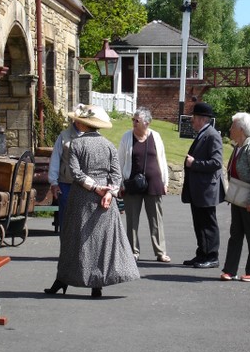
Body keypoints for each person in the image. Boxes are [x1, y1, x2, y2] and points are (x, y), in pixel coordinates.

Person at [44, 104, 139, 297]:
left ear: (85, 125)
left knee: (74, 239)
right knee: (102, 241)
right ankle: (97, 285)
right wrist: (109, 193)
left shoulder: (75, 145)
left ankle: (62, 280)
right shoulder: (109, 145)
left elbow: (76, 174)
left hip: (82, 197)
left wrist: (96, 188)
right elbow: (116, 175)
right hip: (105, 201)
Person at [118, 107, 170, 263]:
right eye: (133, 120)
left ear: (146, 123)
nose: (133, 122)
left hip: (154, 183)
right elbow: (120, 161)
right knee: (132, 219)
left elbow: (162, 158)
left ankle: (160, 252)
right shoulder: (127, 137)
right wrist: (120, 183)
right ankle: (133, 251)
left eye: (137, 120)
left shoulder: (156, 136)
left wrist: (165, 182)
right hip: (132, 184)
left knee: (156, 219)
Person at [220, 112, 250, 282]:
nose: (230, 129)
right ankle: (230, 270)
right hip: (238, 197)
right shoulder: (238, 147)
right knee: (236, 234)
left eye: (233, 126)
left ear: (241, 129)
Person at [181, 102, 224, 268]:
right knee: (199, 223)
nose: (192, 121)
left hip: (206, 189)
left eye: (194, 117)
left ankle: (211, 256)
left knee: (207, 223)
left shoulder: (212, 135)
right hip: (199, 189)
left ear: (201, 119)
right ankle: (202, 253)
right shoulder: (203, 134)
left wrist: (195, 163)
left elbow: (216, 162)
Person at [47, 113, 84, 228]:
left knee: (82, 219)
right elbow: (55, 159)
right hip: (66, 183)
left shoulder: (93, 135)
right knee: (66, 220)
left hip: (85, 185)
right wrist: (54, 182)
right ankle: (65, 244)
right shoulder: (64, 136)